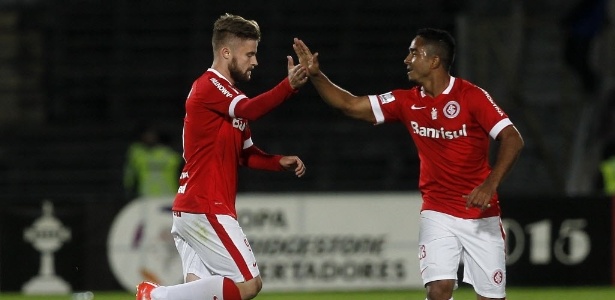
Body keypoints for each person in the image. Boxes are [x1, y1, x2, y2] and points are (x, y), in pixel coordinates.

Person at [293, 28, 524, 300]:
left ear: (434, 61)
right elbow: (350, 104)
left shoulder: (471, 96)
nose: (406, 59)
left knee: (491, 298)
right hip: (438, 212)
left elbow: (512, 138)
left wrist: (490, 184)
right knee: (438, 290)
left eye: (414, 53)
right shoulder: (406, 101)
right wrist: (317, 75)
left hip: (480, 214)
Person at [136, 13, 308, 300]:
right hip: (206, 205)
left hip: (193, 208)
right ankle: (153, 296)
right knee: (250, 284)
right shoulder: (210, 85)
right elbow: (250, 110)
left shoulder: (229, 97)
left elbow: (247, 155)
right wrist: (288, 87)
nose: (255, 61)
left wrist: (278, 162)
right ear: (226, 52)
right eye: (249, 54)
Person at [123, 124, 182, 200]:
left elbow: (182, 171)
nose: (149, 137)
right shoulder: (136, 153)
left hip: (168, 196)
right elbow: (129, 176)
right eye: (147, 135)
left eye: (151, 134)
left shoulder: (170, 154)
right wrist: (129, 191)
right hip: (145, 196)